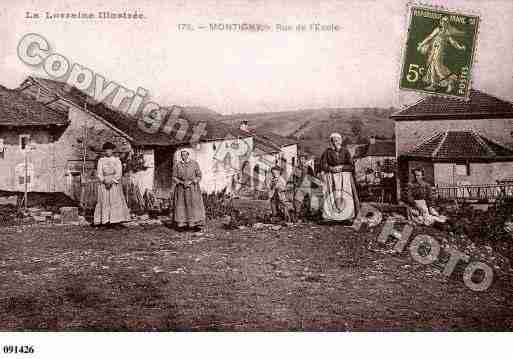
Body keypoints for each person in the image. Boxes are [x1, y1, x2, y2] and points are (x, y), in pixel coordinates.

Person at [417, 16, 466, 93]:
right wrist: (421, 44)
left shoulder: (447, 32)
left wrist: (460, 47)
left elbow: (453, 42)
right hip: (433, 50)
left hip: (439, 51)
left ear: (447, 23)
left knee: (437, 67)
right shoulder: (438, 30)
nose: (444, 23)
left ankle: (449, 82)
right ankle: (433, 85)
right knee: (432, 66)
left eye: (446, 22)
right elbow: (429, 37)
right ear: (440, 22)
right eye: (443, 21)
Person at [319, 133, 360, 224]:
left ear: (341, 141)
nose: (336, 142)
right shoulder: (327, 152)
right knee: (332, 195)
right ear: (331, 142)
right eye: (334, 141)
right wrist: (331, 168)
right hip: (332, 178)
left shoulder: (345, 151)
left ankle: (346, 216)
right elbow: (323, 164)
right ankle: (332, 217)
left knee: (345, 195)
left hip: (344, 179)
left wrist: (342, 167)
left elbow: (351, 166)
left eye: (338, 140)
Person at [94, 142, 131, 227]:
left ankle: (115, 221)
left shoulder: (116, 160)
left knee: (115, 201)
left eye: (109, 150)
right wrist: (104, 180)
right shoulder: (101, 160)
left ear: (112, 151)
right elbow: (99, 173)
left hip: (114, 183)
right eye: (106, 150)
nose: (107, 152)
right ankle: (105, 220)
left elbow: (119, 173)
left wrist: (112, 181)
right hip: (104, 183)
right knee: (104, 201)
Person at [171, 149, 206, 231]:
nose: (184, 156)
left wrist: (192, 181)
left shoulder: (194, 164)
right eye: (182, 155)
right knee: (181, 206)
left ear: (188, 155)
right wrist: (181, 182)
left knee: (193, 205)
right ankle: (182, 224)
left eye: (185, 154)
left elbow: (199, 175)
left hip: (193, 189)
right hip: (181, 189)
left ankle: (193, 224)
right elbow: (174, 177)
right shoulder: (177, 165)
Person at [292, 154, 316, 219]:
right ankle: (297, 214)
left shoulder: (309, 168)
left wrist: (313, 187)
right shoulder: (297, 168)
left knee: (308, 201)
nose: (301, 160)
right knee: (297, 200)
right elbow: (294, 178)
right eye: (300, 159)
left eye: (303, 159)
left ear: (305, 160)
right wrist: (295, 185)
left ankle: (307, 215)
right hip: (299, 186)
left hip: (307, 186)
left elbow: (313, 177)